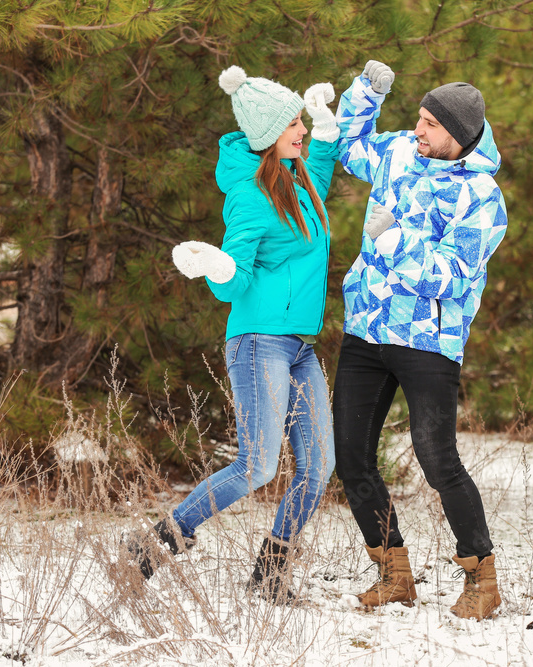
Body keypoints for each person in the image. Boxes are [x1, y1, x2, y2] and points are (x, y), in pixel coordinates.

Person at [125, 65, 341, 604]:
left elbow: (321, 160)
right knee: (259, 464)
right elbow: (235, 282)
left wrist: (327, 121)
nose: (302, 131)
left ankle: (270, 575)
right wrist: (219, 266)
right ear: (269, 135)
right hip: (258, 342)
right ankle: (160, 539)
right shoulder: (249, 196)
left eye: (300, 120)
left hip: (298, 346)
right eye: (293, 123)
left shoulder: (297, 178)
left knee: (317, 467)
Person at [331, 61, 508, 620]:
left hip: (428, 340)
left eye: (430, 124)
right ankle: (394, 574)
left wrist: (394, 241)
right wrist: (367, 92)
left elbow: (454, 274)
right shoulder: (401, 154)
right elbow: (349, 145)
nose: (417, 130)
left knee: (437, 459)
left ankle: (481, 577)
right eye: (418, 117)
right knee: (352, 455)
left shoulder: (482, 197)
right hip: (367, 328)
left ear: (458, 136)